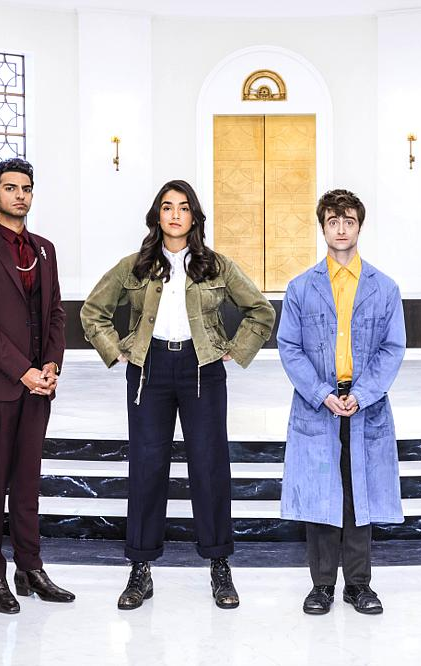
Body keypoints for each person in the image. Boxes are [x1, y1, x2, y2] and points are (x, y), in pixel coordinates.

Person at [81, 179, 275, 610]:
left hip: (201, 369)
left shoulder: (216, 266)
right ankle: (140, 568)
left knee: (210, 466)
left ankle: (219, 564)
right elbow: (92, 312)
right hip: (148, 371)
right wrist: (118, 352)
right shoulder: (134, 266)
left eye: (183, 207)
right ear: (157, 215)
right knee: (147, 467)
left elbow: (261, 311)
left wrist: (235, 350)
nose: (174, 214)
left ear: (194, 217)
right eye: (167, 207)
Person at [276, 188, 406, 615]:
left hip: (365, 405)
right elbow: (289, 347)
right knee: (321, 494)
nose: (341, 229)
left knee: (357, 495)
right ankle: (321, 585)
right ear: (323, 228)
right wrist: (322, 394)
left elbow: (392, 348)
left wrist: (363, 394)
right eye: (333, 221)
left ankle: (359, 585)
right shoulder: (301, 288)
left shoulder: (384, 288)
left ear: (359, 226)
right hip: (319, 405)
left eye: (349, 221)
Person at [0, 158, 74, 614]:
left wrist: (51, 365)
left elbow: (56, 312)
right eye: (10, 188)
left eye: (26, 188)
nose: (20, 195)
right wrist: (23, 370)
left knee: (27, 483)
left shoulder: (45, 249)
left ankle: (30, 569)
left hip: (39, 386)